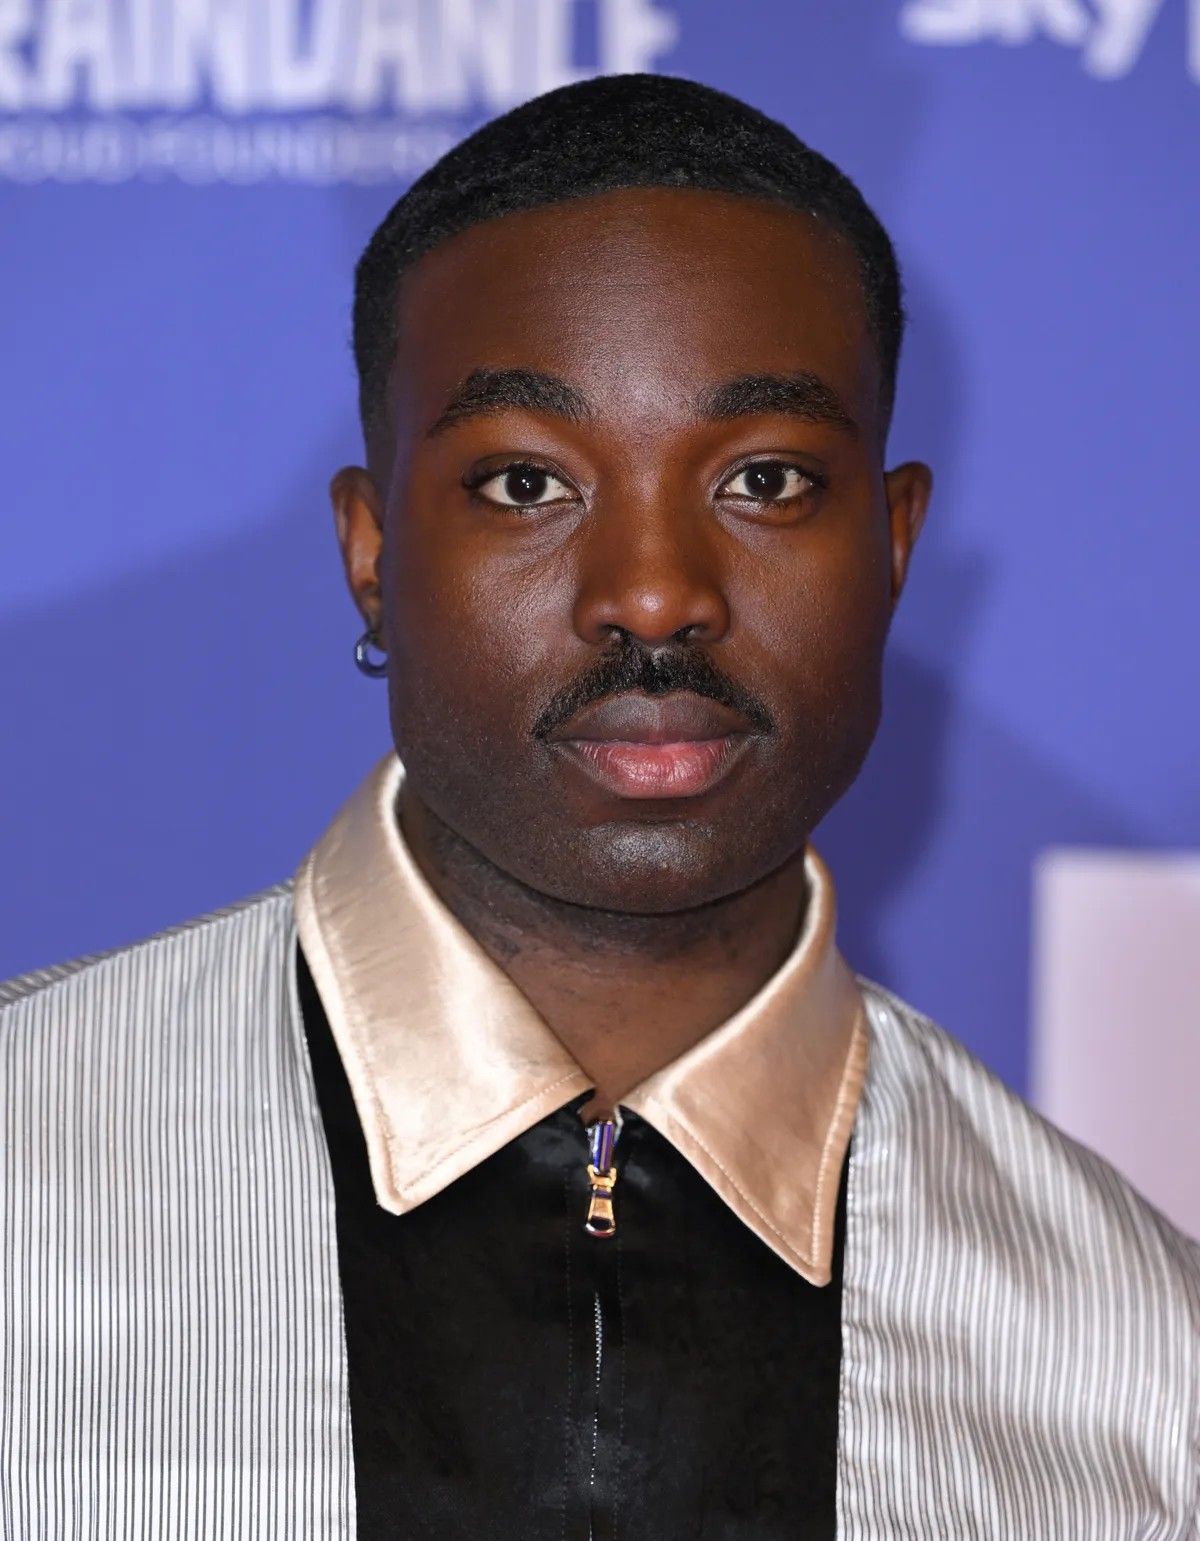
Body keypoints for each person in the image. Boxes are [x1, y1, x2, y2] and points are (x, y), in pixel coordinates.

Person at [1, 72, 1196, 1540]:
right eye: (526, 483)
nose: (653, 593)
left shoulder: (1146, 1368)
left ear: (893, 548)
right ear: (371, 554)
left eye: (765, 479)